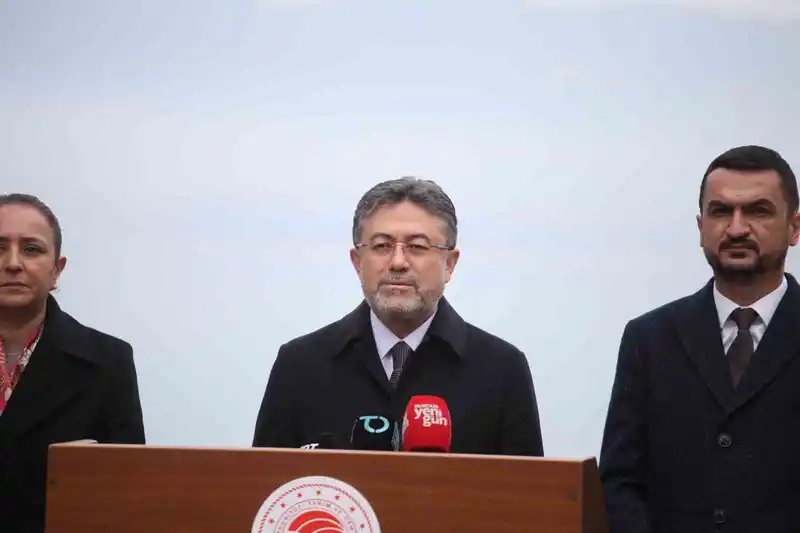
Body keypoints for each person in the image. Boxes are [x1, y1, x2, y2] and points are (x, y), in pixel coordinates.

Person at [252, 177, 543, 455]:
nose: (398, 262)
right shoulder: (299, 366)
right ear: (357, 262)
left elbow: (529, 488)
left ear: (450, 264)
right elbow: (264, 484)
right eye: (382, 246)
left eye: (417, 246)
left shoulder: (502, 371)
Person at [599, 145, 800, 532]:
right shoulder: (649, 340)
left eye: (758, 211)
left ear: (794, 227)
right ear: (700, 226)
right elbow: (621, 481)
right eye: (721, 211)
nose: (737, 228)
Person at [0, 194, 146, 533]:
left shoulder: (108, 362)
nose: (13, 263)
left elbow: (126, 493)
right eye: (0, 247)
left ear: (57, 270)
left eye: (32, 249)